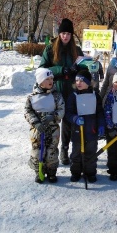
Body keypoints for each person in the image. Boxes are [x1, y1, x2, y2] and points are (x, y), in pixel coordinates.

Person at [39, 18, 84, 165]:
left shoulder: (76, 50)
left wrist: (79, 69)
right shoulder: (50, 49)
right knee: (53, 121)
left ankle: (65, 149)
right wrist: (60, 69)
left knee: (68, 121)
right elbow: (42, 69)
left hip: (71, 89)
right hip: (55, 90)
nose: (65, 36)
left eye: (68, 34)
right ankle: (50, 150)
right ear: (59, 34)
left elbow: (84, 68)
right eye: (63, 33)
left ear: (72, 36)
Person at [24, 68, 65, 183]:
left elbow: (62, 109)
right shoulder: (32, 97)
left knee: (51, 150)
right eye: (47, 79)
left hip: (53, 129)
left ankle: (52, 172)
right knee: (38, 151)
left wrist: (54, 116)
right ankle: (39, 171)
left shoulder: (56, 96)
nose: (50, 80)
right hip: (37, 130)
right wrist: (35, 122)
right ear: (40, 81)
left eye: (51, 78)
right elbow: (27, 111)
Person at [65, 69, 105, 183]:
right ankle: (76, 172)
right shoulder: (73, 96)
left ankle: (90, 172)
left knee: (91, 154)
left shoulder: (95, 96)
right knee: (76, 154)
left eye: (81, 80)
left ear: (88, 82)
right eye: (77, 80)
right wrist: (75, 118)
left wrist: (101, 125)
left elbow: (100, 112)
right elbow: (68, 113)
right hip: (78, 131)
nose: (78, 83)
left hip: (91, 131)